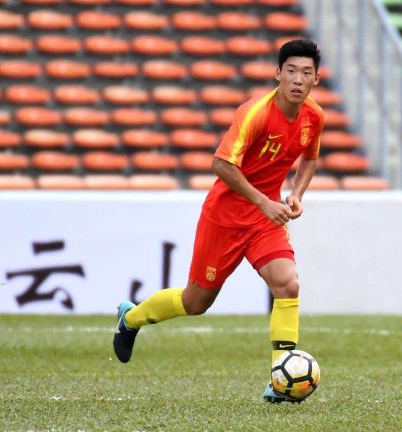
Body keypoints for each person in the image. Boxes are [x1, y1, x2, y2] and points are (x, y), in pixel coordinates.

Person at [113, 39, 324, 404]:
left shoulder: (314, 117)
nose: (297, 79)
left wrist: (296, 194)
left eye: (306, 73)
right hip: (226, 216)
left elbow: (309, 159)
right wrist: (263, 200)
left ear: (315, 79)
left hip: (264, 219)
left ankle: (279, 381)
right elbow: (221, 165)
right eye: (291, 70)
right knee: (196, 302)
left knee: (287, 284)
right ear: (278, 73)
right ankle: (131, 319)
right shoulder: (255, 113)